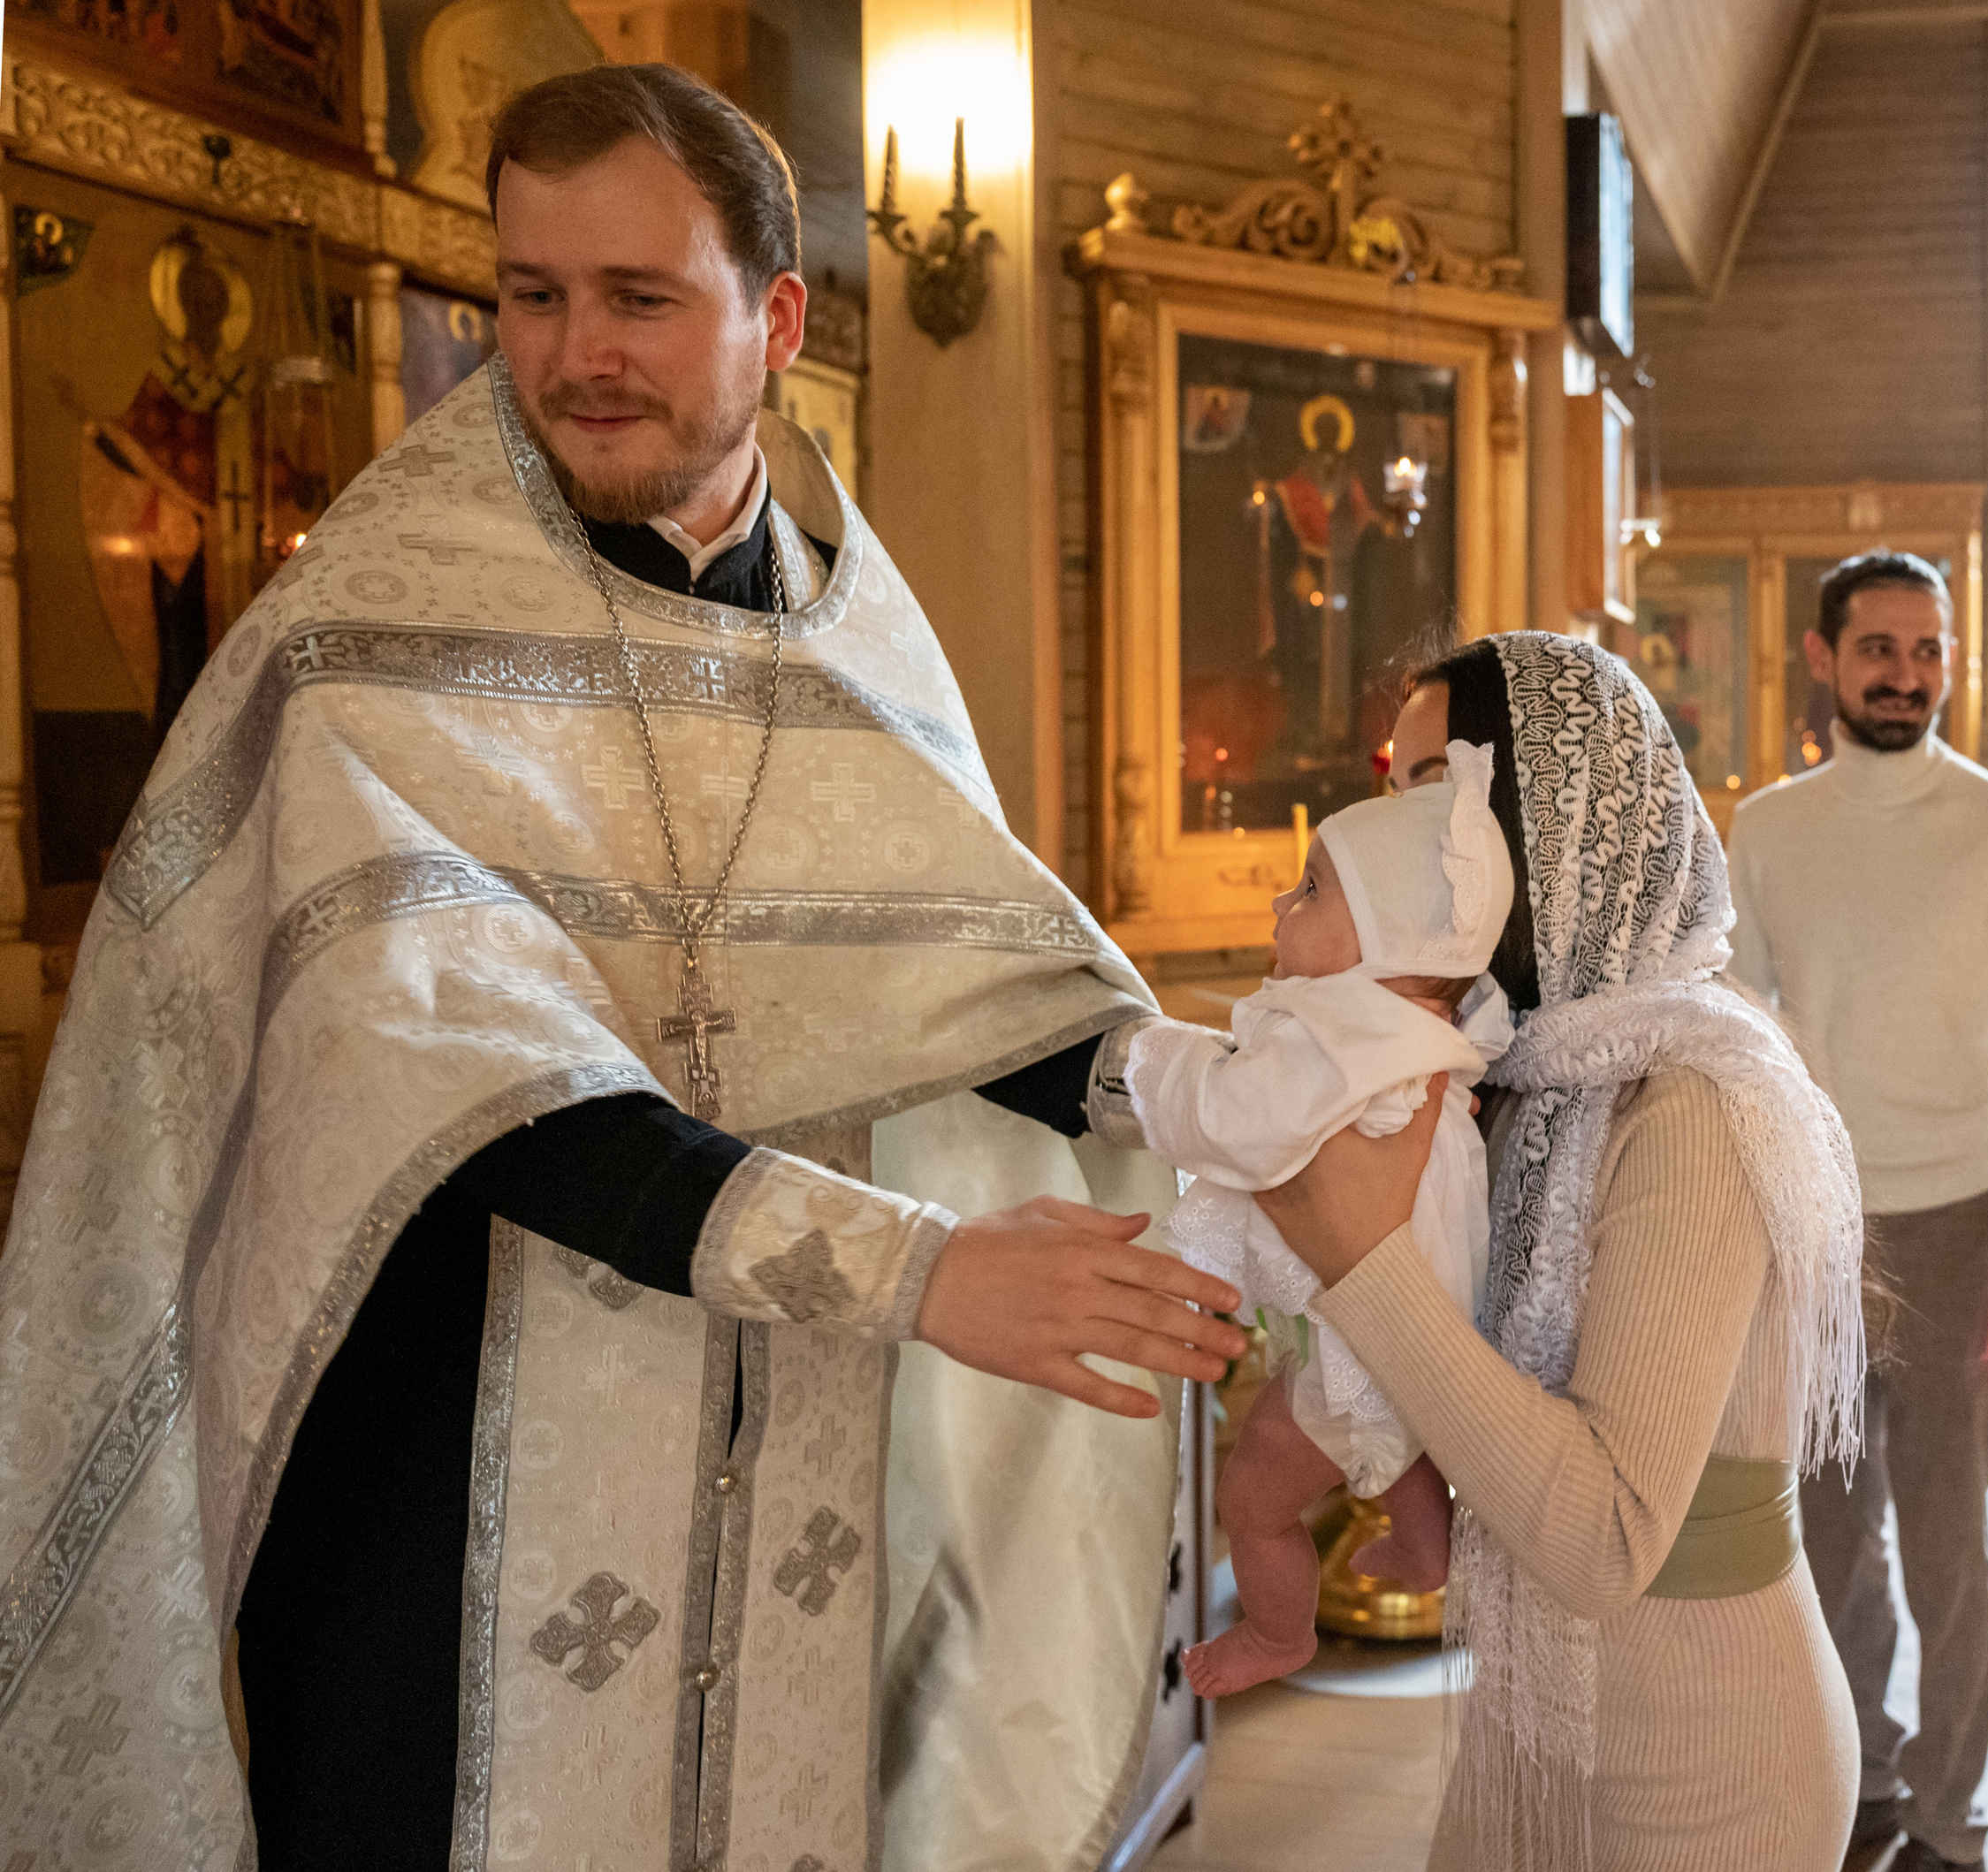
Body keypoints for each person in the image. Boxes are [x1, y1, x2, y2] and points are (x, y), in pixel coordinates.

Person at [0, 64, 1246, 1872]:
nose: (576, 351)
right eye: (529, 295)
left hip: (785, 1471)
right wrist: (916, 1273)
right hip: (440, 1499)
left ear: (779, 322)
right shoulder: (378, 633)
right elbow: (465, 1076)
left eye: (639, 299)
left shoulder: (848, 635)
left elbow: (948, 967)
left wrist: (1198, 1089)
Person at [1241, 631, 1868, 1869]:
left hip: (1709, 1758)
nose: (1400, 836)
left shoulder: (1689, 1099)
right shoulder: (1523, 1063)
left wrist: (1362, 1258)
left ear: (1554, 819)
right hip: (1536, 1719)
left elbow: (1603, 1536)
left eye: (1435, 796)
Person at [1727, 550, 1988, 1872]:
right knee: (1827, 1545)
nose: (1907, 672)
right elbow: (1738, 1041)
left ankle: (1950, 1820)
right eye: (1880, 646)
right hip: (1818, 1229)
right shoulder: (1767, 829)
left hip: (1962, 1226)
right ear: (1824, 659)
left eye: (1928, 649)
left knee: (1950, 1553)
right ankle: (1863, 1777)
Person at [1127, 740, 1517, 1696]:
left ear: (1383, 944)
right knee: (1396, 1424)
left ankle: (1275, 1633)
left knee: (1253, 1496)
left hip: (1372, 1320)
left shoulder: (1349, 1038)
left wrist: (1154, 1063)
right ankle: (1426, 1549)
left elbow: (1238, 1125)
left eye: (1307, 893)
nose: (1278, 905)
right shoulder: (1408, 1026)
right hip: (1410, 1317)